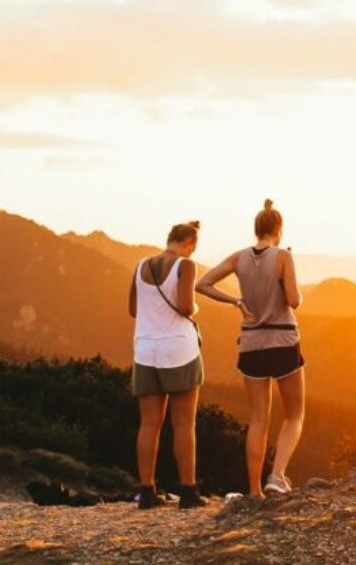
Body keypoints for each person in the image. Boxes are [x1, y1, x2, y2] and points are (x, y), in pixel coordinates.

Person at [196, 199, 306, 498]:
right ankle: (278, 475)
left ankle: (255, 490)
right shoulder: (283, 257)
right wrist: (287, 277)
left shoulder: (239, 258)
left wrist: (235, 301)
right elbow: (294, 300)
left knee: (258, 419)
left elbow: (202, 284)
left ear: (256, 229)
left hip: (252, 343)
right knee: (294, 414)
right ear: (278, 230)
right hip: (283, 341)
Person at [128, 220, 206, 510]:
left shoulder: (141, 266)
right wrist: (195, 308)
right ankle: (188, 492)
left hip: (145, 350)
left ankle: (147, 491)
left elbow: (133, 309)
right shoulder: (186, 266)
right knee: (184, 423)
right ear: (189, 244)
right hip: (178, 351)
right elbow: (186, 306)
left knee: (149, 424)